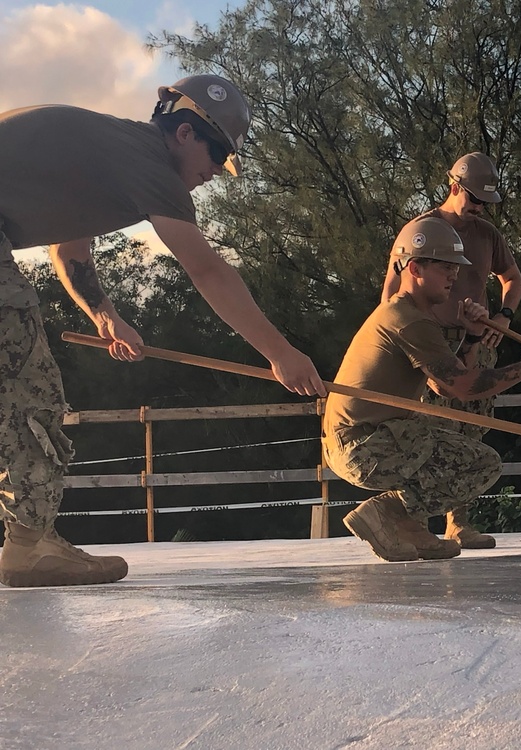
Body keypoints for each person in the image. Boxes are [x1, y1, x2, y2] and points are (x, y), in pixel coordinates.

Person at [0, 75, 327, 587]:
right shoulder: (149, 163)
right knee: (30, 398)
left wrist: (104, 315)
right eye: (217, 152)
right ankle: (28, 545)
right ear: (183, 133)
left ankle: (29, 540)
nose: (217, 171)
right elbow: (208, 270)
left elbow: (69, 252)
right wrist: (279, 352)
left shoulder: (103, 154)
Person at [326, 216, 521, 562]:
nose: (455, 276)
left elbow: (445, 387)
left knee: (457, 446)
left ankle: (407, 525)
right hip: (364, 446)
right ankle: (389, 513)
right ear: (415, 268)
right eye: (445, 267)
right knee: (481, 462)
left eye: (456, 267)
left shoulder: (410, 316)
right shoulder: (411, 322)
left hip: (367, 441)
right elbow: (466, 387)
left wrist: (470, 336)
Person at [380, 152, 521, 549]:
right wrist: (391, 342)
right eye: (475, 199)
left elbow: (513, 278)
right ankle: (414, 526)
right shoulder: (421, 231)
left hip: (477, 338)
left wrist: (505, 316)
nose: (479, 208)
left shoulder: (489, 235)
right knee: (430, 430)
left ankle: (458, 523)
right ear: (455, 187)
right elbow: (391, 295)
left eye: (486, 203)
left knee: (473, 430)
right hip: (431, 342)